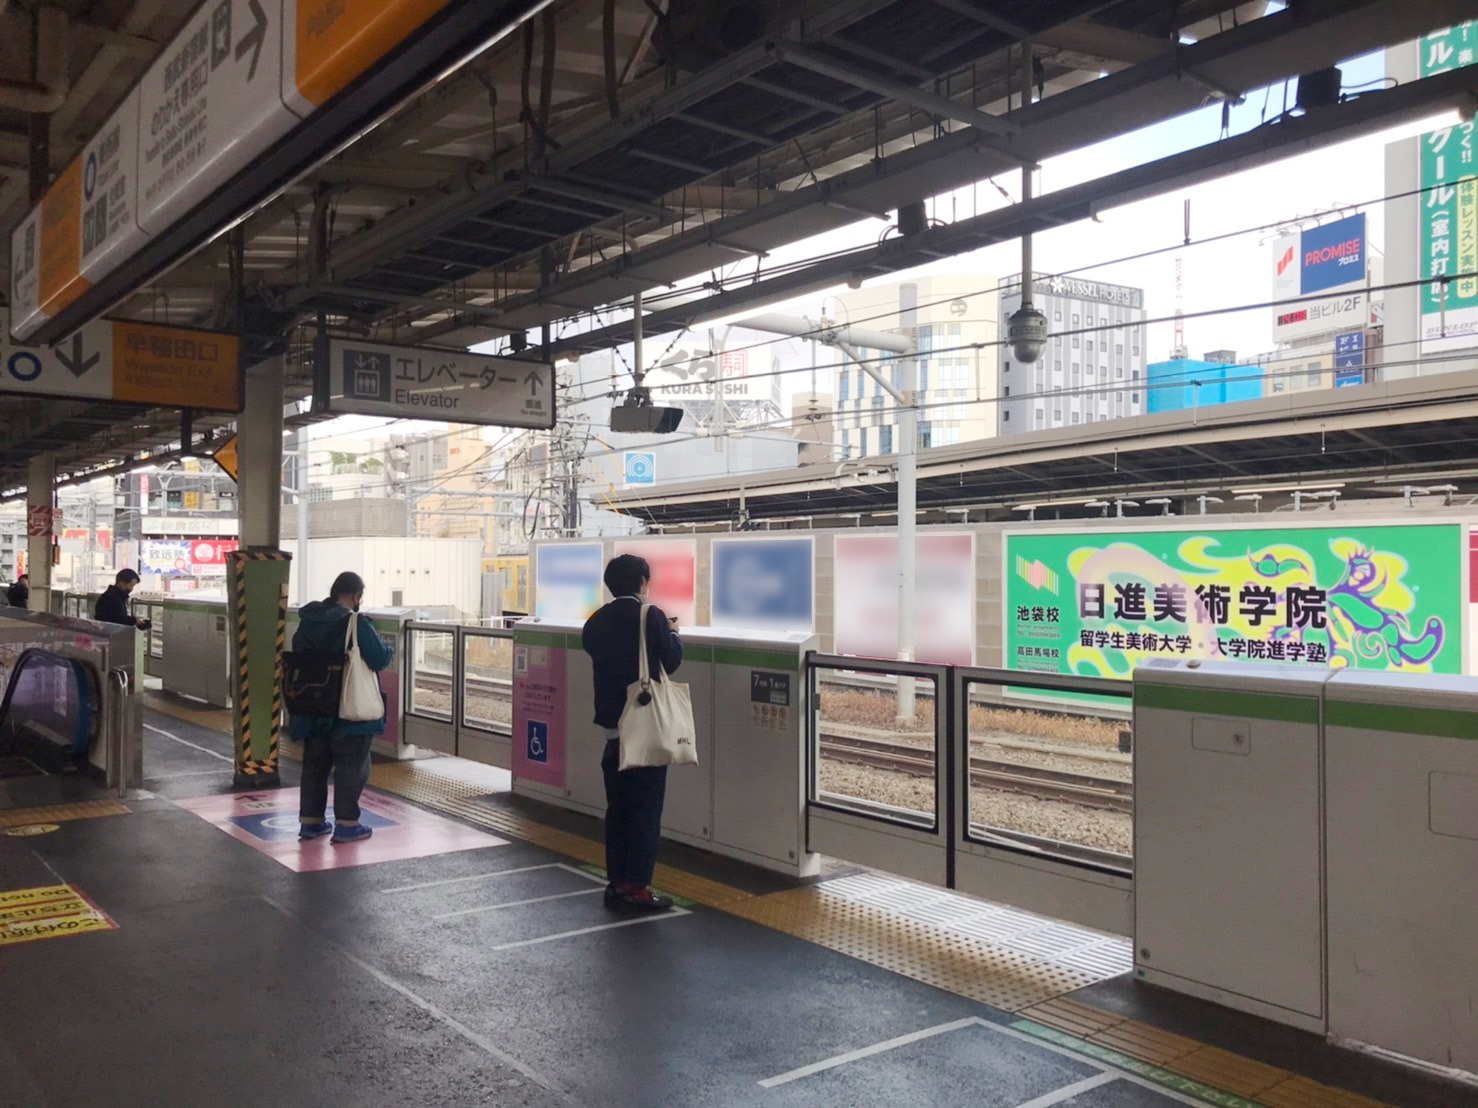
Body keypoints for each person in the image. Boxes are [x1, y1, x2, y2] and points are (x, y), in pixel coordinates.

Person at [582, 554, 683, 913]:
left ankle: (617, 883)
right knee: (645, 812)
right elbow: (670, 660)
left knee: (619, 811)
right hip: (643, 728)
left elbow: (596, 651)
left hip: (612, 730)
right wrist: (673, 634)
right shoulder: (650, 616)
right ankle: (638, 887)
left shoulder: (596, 620)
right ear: (642, 582)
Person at [290, 571, 394, 845]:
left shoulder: (309, 619)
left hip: (313, 705)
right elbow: (379, 657)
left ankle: (311, 822)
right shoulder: (355, 622)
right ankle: (348, 824)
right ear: (356, 596)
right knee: (352, 765)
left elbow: (299, 651)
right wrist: (389, 650)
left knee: (315, 765)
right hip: (349, 710)